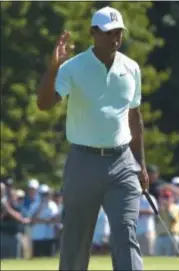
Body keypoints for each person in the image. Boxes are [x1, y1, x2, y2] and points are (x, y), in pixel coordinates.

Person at [36, 6, 149, 270]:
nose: (115, 38)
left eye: (119, 32)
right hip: (83, 162)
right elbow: (44, 104)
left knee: (126, 232)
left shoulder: (131, 68)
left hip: (122, 163)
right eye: (109, 33)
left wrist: (141, 164)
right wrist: (53, 68)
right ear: (93, 33)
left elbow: (135, 118)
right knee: (76, 239)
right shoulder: (73, 67)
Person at [154, 189, 179, 256]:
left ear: (172, 198)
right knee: (158, 259)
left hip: (171, 236)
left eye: (168, 197)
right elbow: (156, 220)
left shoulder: (176, 207)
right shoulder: (159, 208)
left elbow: (173, 220)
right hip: (160, 236)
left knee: (170, 258)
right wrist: (161, 210)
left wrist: (167, 209)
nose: (166, 199)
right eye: (164, 197)